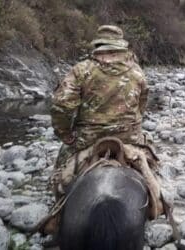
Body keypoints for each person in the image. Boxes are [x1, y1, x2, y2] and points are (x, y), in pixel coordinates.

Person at [41, 25, 149, 239]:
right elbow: (142, 105)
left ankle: (56, 211)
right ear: (121, 46)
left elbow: (62, 106)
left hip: (86, 139)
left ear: (98, 45)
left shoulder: (82, 70)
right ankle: (158, 202)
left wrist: (65, 134)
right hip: (129, 138)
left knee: (61, 173)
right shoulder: (137, 72)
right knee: (151, 164)